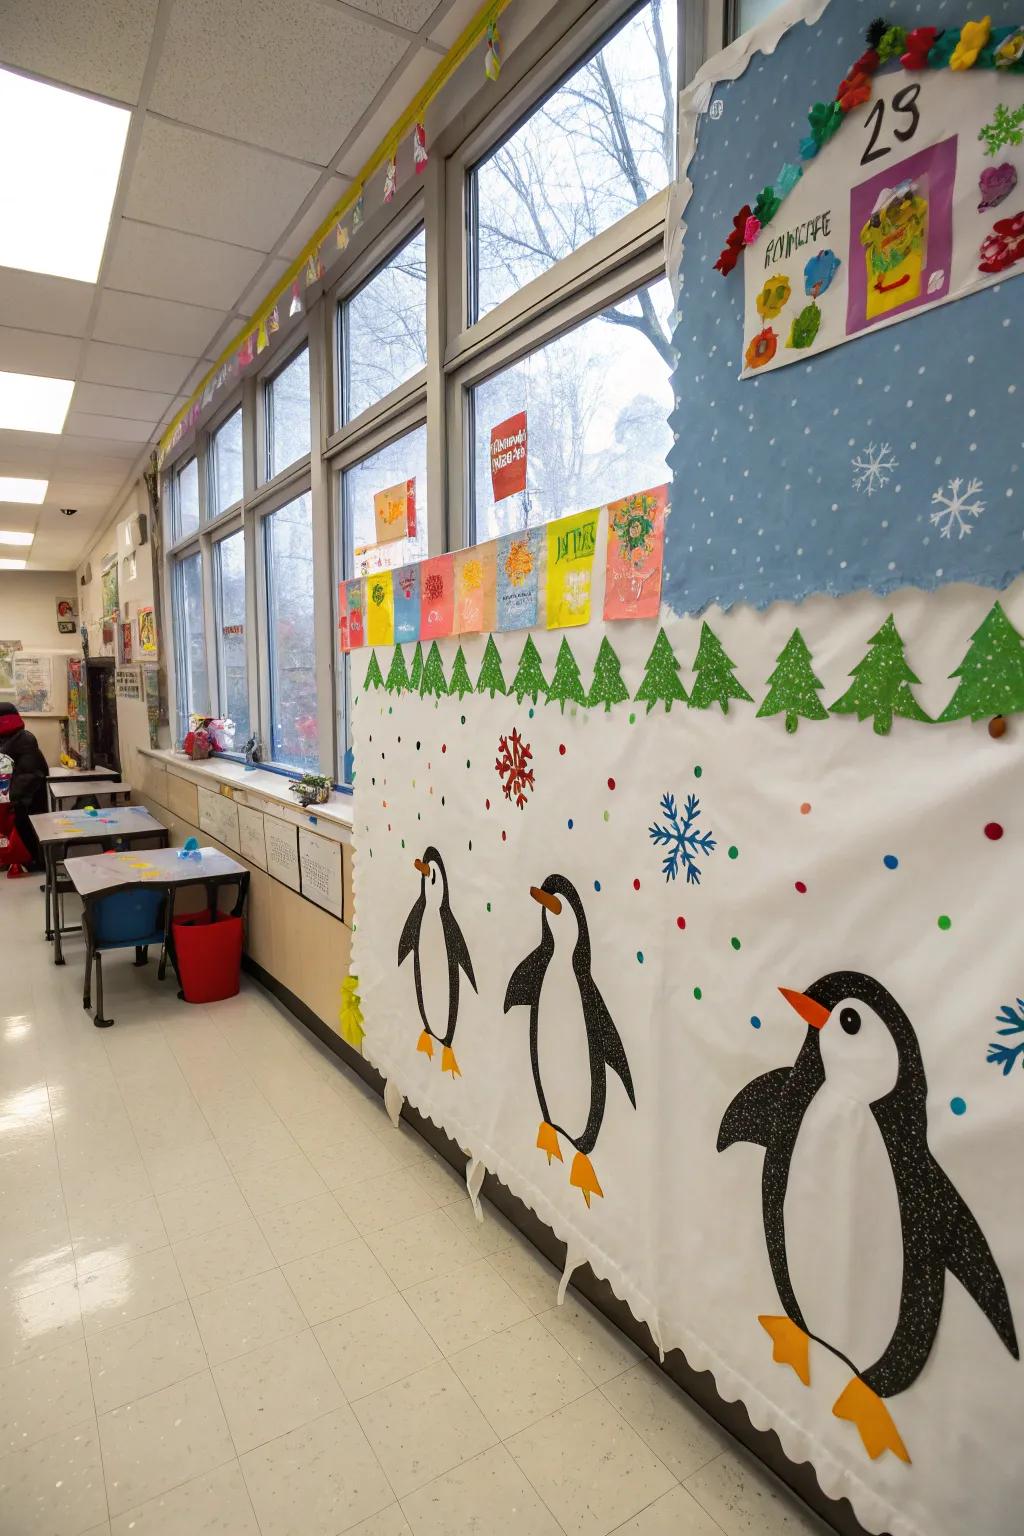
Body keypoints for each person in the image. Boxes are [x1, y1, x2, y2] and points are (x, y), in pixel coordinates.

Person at [0, 703, 49, 871]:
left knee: (25, 833)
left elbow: (29, 775)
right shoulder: (10, 738)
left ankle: (30, 860)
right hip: (16, 797)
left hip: (25, 800)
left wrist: (9, 799)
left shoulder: (23, 739)